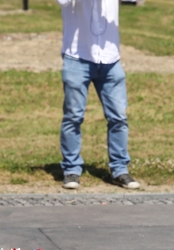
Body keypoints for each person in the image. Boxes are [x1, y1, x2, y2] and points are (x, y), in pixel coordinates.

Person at [58, 0, 141, 190]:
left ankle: (120, 170)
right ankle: (71, 169)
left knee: (119, 117)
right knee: (73, 117)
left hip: (110, 59)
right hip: (77, 56)